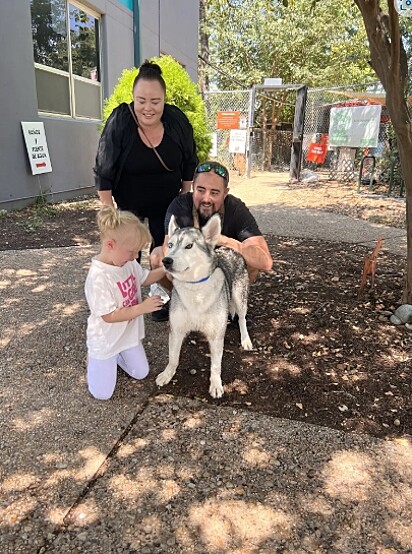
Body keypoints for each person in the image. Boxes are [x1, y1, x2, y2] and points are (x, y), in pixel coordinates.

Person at [94, 60, 198, 254]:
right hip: (129, 204)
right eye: (141, 101)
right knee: (127, 253)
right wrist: (109, 210)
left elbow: (189, 160)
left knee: (165, 253)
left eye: (155, 102)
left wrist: (184, 197)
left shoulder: (177, 121)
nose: (148, 108)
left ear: (164, 99)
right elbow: (103, 168)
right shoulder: (121, 121)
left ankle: (159, 283)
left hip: (167, 203)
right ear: (133, 97)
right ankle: (130, 283)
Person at [150, 161, 273, 321]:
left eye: (214, 192)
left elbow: (266, 262)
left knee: (251, 262)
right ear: (193, 187)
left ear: (225, 193)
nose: (206, 198)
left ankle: (232, 306)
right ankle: (182, 302)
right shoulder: (180, 205)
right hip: (190, 272)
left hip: (223, 269)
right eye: (201, 190)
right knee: (157, 257)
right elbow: (168, 249)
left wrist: (226, 241)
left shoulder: (236, 209)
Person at [84, 205, 167, 400]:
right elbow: (109, 316)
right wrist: (142, 308)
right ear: (110, 245)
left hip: (126, 336)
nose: (134, 257)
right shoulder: (98, 277)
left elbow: (145, 278)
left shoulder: (128, 264)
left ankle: (115, 359)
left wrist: (166, 269)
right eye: (131, 252)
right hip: (105, 340)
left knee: (141, 373)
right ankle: (95, 359)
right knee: (102, 394)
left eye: (137, 252)